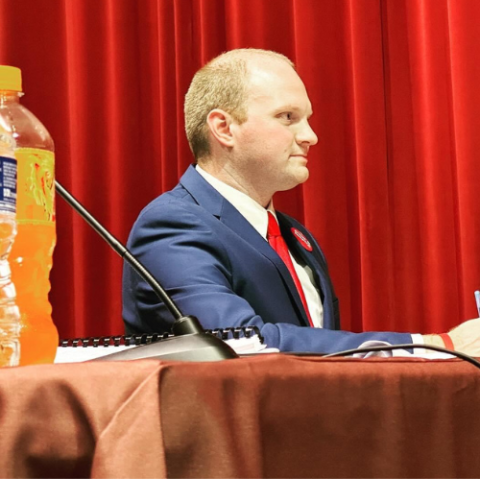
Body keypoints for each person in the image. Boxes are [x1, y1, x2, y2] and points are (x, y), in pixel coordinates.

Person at [122, 48, 480, 354]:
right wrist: (437, 345)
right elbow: (237, 342)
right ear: (224, 128)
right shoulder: (172, 224)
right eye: (288, 117)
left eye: (307, 119)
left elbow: (320, 352)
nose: (310, 136)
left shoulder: (296, 237)